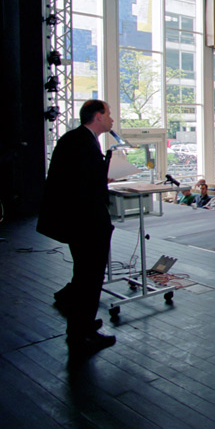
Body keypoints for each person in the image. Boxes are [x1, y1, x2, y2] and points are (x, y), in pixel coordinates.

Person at [38, 99, 117, 355]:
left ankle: (83, 324)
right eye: (108, 114)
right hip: (86, 224)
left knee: (84, 276)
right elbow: (80, 186)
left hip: (80, 222)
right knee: (89, 278)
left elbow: (75, 178)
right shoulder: (82, 142)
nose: (111, 119)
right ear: (97, 116)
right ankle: (81, 334)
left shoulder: (75, 139)